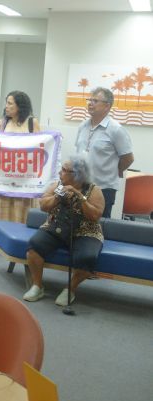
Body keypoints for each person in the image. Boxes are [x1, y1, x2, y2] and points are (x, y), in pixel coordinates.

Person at [22, 154, 105, 306]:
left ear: (77, 174)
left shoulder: (94, 190)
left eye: (64, 170)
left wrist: (79, 196)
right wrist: (58, 197)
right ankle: (37, 286)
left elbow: (95, 216)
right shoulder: (58, 186)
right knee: (34, 246)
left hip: (86, 232)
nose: (60, 172)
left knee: (87, 258)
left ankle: (70, 289)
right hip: (56, 226)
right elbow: (43, 205)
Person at [75, 87, 134, 218]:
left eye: (95, 101)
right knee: (77, 223)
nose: (90, 103)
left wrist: (114, 171)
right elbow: (78, 152)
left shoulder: (116, 129)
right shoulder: (82, 126)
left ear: (107, 106)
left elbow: (128, 158)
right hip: (80, 186)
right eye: (89, 100)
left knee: (98, 226)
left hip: (104, 188)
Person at [0, 91, 41, 225]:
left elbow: (40, 148)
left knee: (21, 206)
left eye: (10, 103)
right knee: (4, 205)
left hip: (24, 177)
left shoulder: (32, 122)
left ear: (20, 106)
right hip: (6, 175)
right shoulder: (4, 123)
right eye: (6, 103)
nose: (6, 106)